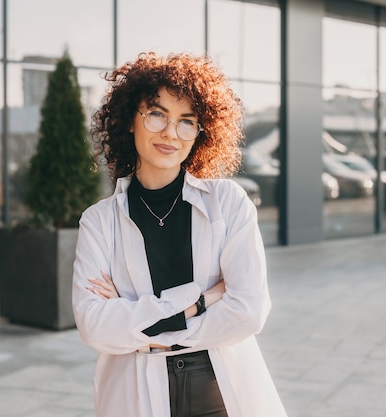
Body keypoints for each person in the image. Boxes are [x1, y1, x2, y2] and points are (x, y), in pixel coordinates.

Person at [72, 52, 287, 417]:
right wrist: (200, 302)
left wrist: (143, 330)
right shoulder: (98, 222)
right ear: (129, 121)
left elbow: (249, 311)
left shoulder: (228, 203)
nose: (171, 132)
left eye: (186, 121)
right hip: (135, 392)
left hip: (220, 390)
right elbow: (95, 327)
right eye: (157, 114)